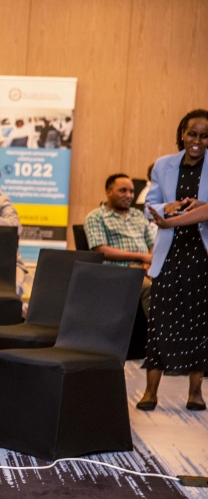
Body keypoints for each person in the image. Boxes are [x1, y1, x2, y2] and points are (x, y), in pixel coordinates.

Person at [138, 109, 208, 412]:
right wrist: (170, 207)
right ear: (182, 133)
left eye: (204, 136)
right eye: (192, 133)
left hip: (201, 254)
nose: (197, 140)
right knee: (160, 320)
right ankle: (150, 392)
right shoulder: (163, 165)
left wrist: (195, 208)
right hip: (170, 253)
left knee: (199, 322)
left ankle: (195, 393)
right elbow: (148, 207)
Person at [84, 174, 155, 315]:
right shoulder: (96, 216)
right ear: (108, 192)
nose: (129, 196)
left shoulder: (138, 215)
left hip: (145, 269)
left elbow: (153, 243)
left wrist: (148, 263)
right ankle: (158, 334)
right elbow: (101, 250)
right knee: (149, 287)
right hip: (117, 272)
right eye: (123, 191)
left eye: (132, 191)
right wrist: (142, 257)